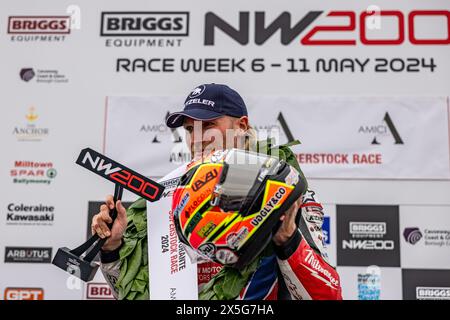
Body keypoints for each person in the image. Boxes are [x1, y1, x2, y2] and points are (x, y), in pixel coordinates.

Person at [92, 83, 342, 300]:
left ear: (242, 125)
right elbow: (135, 293)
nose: (197, 139)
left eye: (209, 125)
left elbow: (328, 295)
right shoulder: (170, 199)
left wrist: (287, 241)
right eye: (190, 129)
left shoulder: (282, 192)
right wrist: (113, 248)